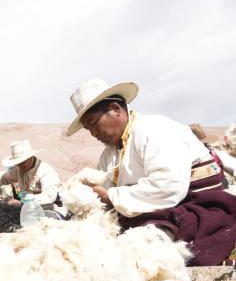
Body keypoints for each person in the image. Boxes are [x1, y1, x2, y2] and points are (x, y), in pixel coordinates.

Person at [67, 78, 236, 266]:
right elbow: (106, 189)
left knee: (136, 251)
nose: (92, 133)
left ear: (115, 109)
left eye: (93, 123)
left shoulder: (155, 129)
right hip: (158, 213)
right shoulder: (108, 155)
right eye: (88, 128)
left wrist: (109, 196)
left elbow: (168, 186)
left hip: (195, 210)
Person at [0, 140, 65, 217]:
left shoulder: (45, 171)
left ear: (30, 157)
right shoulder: (18, 169)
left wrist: (23, 201)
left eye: (22, 162)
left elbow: (49, 196)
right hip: (27, 209)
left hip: (51, 209)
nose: (19, 165)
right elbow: (0, 177)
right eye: (18, 163)